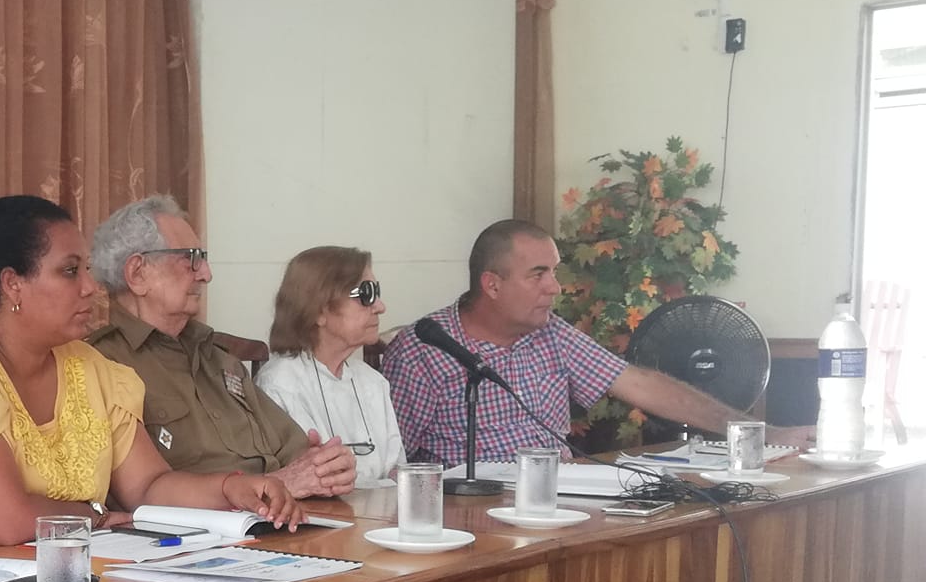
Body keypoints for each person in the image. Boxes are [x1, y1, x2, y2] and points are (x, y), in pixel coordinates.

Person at [0, 191, 304, 559]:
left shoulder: (92, 368)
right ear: (12, 284)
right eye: (70, 271)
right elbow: (6, 522)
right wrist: (99, 514)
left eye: (86, 269)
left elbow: (150, 486)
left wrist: (230, 489)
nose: (90, 287)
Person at [383, 217, 776, 464]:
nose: (554, 287)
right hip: (472, 518)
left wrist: (758, 434)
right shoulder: (424, 351)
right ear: (492, 285)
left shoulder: (550, 331)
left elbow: (643, 385)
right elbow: (393, 463)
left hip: (564, 500)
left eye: (554, 272)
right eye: (538, 275)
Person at [86, 196, 358, 498]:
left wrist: (324, 468)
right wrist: (278, 484)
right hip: (193, 539)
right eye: (190, 259)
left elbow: (294, 449)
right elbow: (144, 497)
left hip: (279, 523)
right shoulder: (102, 364)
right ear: (137, 274)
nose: (206, 273)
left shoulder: (219, 358)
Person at [257, 246, 406, 489]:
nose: (380, 306)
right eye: (366, 294)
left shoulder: (372, 381)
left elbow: (395, 471)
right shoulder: (281, 383)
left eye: (376, 292)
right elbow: (311, 478)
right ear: (318, 310)